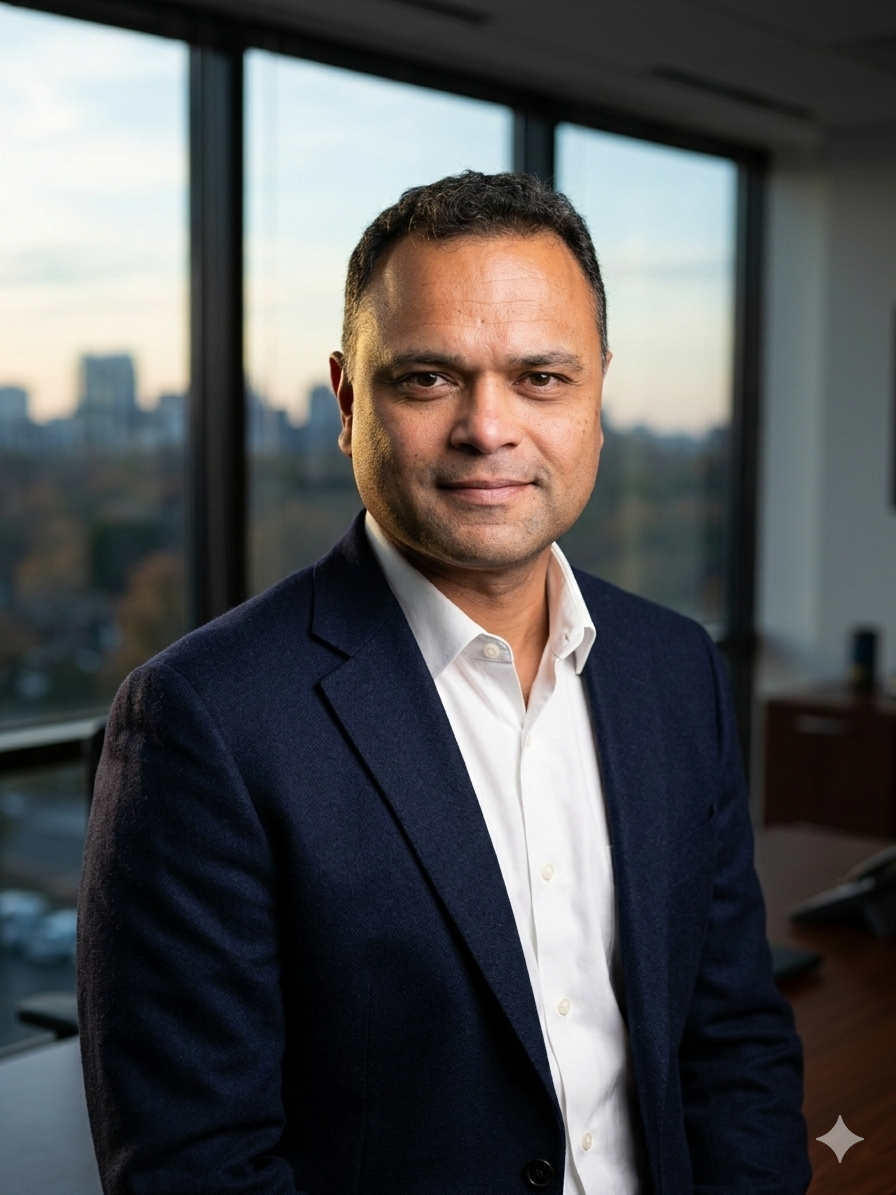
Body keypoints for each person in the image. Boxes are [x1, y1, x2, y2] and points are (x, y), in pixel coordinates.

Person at [78, 171, 810, 1195]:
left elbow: (732, 1045)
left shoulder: (674, 668)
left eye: (541, 377)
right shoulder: (204, 720)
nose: (487, 428)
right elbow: (195, 1166)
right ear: (347, 401)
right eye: (427, 378)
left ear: (597, 394)